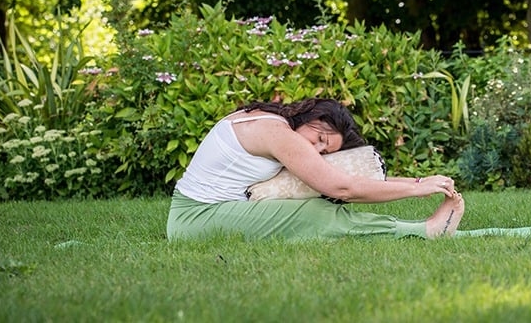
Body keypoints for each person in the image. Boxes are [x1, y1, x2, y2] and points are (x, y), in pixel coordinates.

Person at [166, 97, 464, 241]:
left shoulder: (277, 122)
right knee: (316, 213)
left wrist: (419, 180)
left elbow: (341, 178)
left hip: (206, 212)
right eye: (320, 139)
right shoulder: (276, 133)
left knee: (316, 202)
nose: (318, 150)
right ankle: (424, 231)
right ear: (311, 116)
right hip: (196, 217)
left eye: (326, 149)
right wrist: (416, 189)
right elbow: (341, 187)